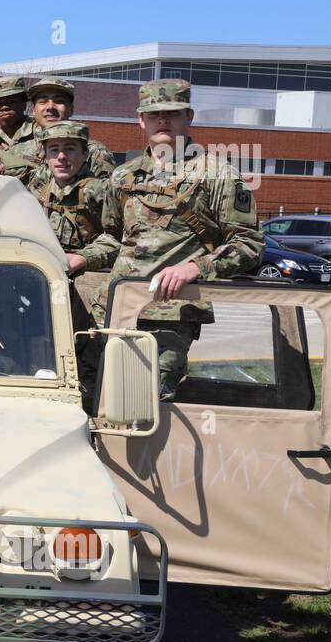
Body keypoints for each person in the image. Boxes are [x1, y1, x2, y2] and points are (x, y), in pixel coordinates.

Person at [89, 78, 264, 401]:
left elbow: (249, 244)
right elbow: (113, 238)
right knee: (98, 396)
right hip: (115, 308)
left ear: (189, 116)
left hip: (172, 314)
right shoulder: (122, 176)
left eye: (172, 112)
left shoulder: (218, 174)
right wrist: (79, 258)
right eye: (154, 114)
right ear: (141, 120)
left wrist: (194, 268)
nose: (163, 120)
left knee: (145, 399)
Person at [0, 78, 116, 184]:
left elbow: (108, 204)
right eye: (42, 101)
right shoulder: (18, 145)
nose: (50, 107)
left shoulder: (93, 152)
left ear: (71, 109)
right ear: (33, 110)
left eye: (59, 101)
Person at [25, 121, 117, 279]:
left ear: (85, 154)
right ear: (45, 155)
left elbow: (120, 240)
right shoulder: (38, 188)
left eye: (70, 149)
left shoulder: (99, 192)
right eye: (54, 150)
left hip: (85, 277)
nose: (61, 157)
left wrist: (85, 257)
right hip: (42, 273)